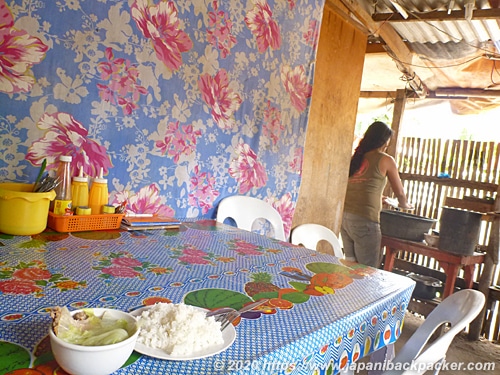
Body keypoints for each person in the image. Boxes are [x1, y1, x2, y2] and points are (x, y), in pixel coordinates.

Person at [340, 121, 413, 267]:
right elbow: (399, 192)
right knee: (367, 271)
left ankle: (347, 290)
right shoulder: (386, 159)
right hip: (365, 221)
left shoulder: (357, 158)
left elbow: (360, 187)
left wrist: (380, 199)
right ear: (384, 141)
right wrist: (405, 204)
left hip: (345, 219)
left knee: (350, 265)